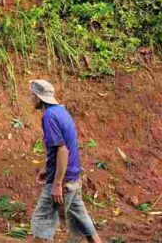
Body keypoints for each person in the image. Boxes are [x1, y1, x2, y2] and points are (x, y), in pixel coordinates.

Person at [29, 80, 102, 243]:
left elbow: (63, 150)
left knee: (42, 227)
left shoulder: (48, 116)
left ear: (38, 98)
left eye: (31, 96)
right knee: (85, 226)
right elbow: (62, 147)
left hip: (64, 182)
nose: (30, 99)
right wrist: (46, 167)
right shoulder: (61, 112)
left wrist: (57, 184)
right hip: (74, 180)